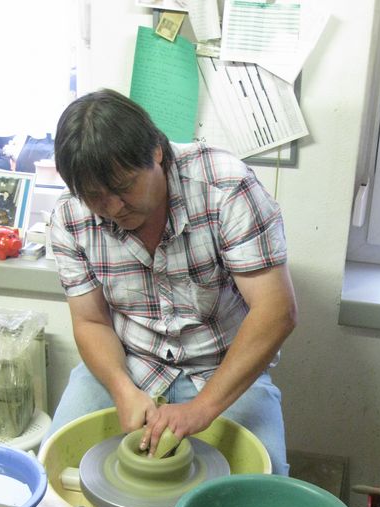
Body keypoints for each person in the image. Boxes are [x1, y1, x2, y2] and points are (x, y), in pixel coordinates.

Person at [48, 88, 298, 474]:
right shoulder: (70, 217)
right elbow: (91, 321)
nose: (114, 208)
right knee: (52, 472)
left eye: (124, 187)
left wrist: (201, 409)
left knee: (264, 488)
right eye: (96, 196)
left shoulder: (226, 186)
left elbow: (276, 311)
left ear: (156, 153)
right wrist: (121, 388)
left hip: (221, 364)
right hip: (129, 362)